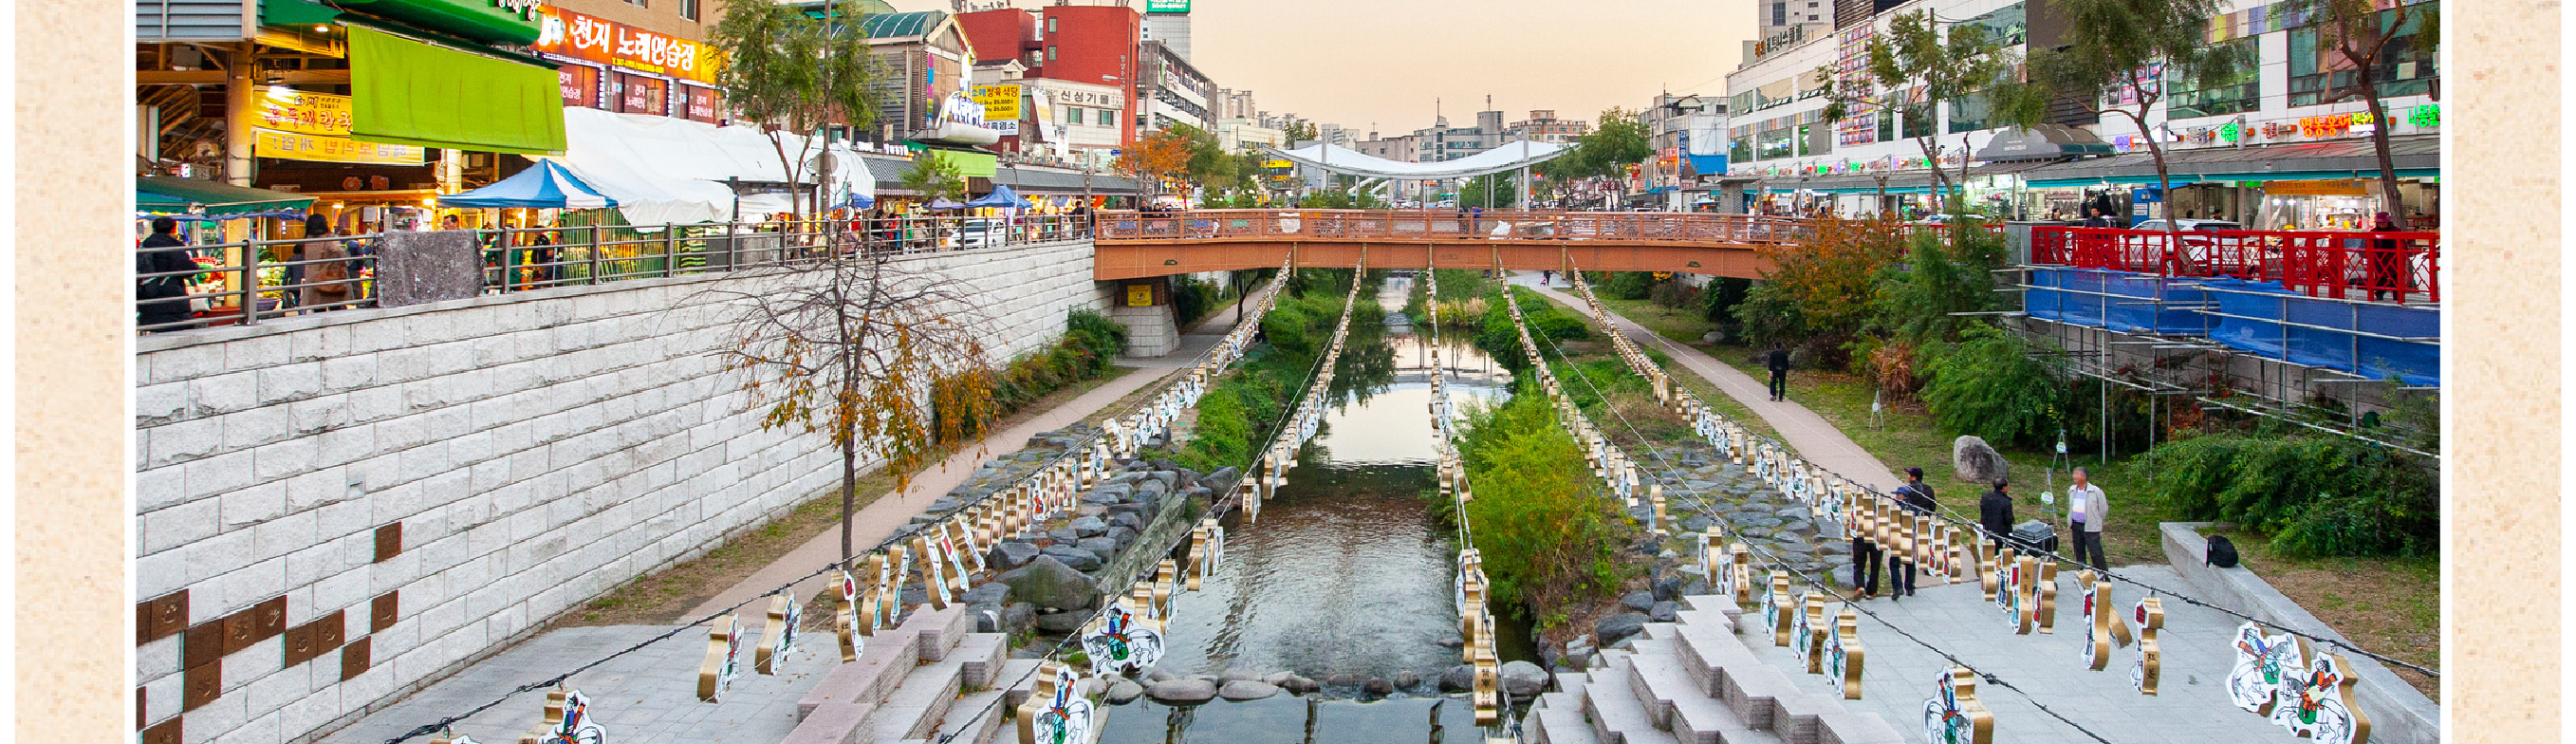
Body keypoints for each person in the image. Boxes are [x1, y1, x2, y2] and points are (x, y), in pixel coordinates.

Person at [137, 217, 197, 330]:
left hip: (148, 297)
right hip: (172, 298)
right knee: (175, 332)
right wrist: (195, 266)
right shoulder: (174, 246)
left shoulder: (144, 246)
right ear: (173, 229)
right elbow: (187, 268)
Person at [1889, 467, 1937, 599]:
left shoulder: (1908, 491)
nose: (1908, 476)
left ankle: (1898, 587)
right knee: (1912, 556)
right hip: (1921, 524)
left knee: (1895, 560)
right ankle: (1910, 586)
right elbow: (1933, 507)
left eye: (1909, 474)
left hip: (1904, 528)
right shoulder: (1929, 490)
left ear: (1913, 476)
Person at [299, 214, 353, 310]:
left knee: (318, 309)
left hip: (313, 282)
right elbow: (340, 252)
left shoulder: (307, 240)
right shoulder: (329, 238)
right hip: (330, 279)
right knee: (335, 308)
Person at [2066, 467, 2108, 567]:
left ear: (2084, 477)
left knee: (2095, 553)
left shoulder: (2095, 491)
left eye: (2077, 474)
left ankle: (2103, 577)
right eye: (2074, 474)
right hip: (2076, 525)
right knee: (2079, 552)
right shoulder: (2072, 490)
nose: (2074, 477)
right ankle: (2082, 574)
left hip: (2090, 527)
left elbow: (2103, 509)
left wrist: (2096, 521)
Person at [2364, 212, 2410, 302]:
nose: (2382, 224)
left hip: (2394, 259)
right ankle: (2379, 295)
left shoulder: (2396, 231)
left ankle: (2397, 296)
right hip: (2380, 259)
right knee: (2380, 279)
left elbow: (2403, 245)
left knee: (2396, 278)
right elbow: (2368, 246)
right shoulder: (2373, 232)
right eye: (2380, 223)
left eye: (2384, 222)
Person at [1978, 478, 2014, 554]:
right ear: (2004, 488)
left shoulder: (1986, 497)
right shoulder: (2005, 502)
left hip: (1986, 529)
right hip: (2000, 534)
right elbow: (2008, 519)